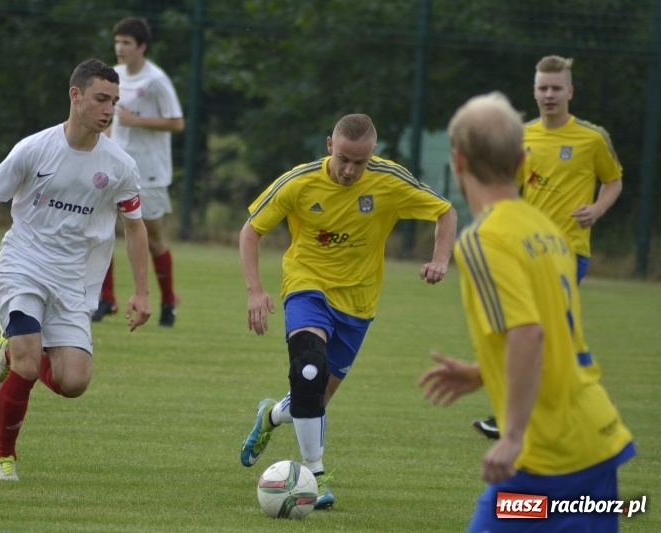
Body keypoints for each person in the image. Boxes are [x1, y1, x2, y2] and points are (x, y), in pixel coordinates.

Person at [419, 92, 634, 532]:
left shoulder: (482, 242)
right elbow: (551, 331)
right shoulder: (549, 232)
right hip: (595, 442)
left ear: (457, 161)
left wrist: (512, 435)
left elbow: (529, 333)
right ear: (521, 161)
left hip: (545, 461)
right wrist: (484, 371)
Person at [239, 113, 457, 509]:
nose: (350, 169)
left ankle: (271, 415)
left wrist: (440, 258)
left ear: (373, 154)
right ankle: (316, 479)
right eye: (343, 158)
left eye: (361, 162)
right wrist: (255, 291)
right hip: (307, 287)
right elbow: (251, 229)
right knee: (307, 370)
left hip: (358, 304)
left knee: (314, 398)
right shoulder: (300, 182)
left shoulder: (390, 181)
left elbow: (445, 211)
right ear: (329, 145)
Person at [0, 58, 152, 481]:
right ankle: (3, 458)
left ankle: (14, 350)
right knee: (27, 365)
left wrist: (142, 291)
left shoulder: (120, 166)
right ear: (74, 95)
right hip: (23, 264)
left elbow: (135, 229)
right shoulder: (34, 149)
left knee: (74, 382)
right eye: (100, 99)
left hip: (73, 278)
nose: (108, 110)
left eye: (113, 102)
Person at [472, 55, 623, 440]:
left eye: (557, 88)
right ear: (534, 91)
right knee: (535, 330)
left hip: (569, 250)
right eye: (543, 88)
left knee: (536, 327)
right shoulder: (522, 137)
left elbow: (613, 181)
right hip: (526, 251)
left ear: (570, 91)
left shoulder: (592, 139)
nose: (550, 95)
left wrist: (598, 208)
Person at [92, 16, 185, 326]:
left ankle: (168, 300)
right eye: (117, 42)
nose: (120, 48)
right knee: (101, 230)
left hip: (150, 173)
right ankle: (106, 299)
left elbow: (177, 123)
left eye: (126, 43)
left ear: (141, 47)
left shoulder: (156, 80)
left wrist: (136, 120)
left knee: (153, 238)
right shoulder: (114, 76)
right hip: (115, 168)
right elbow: (112, 123)